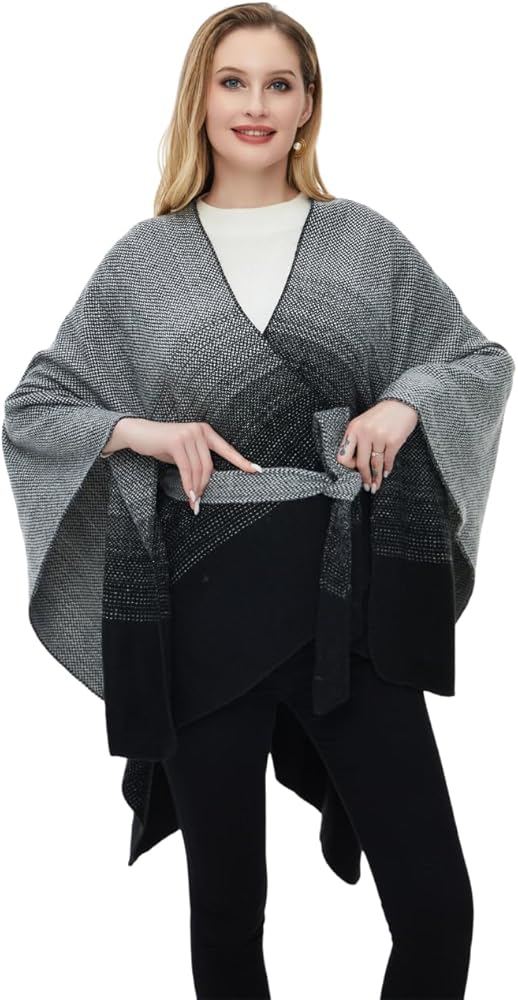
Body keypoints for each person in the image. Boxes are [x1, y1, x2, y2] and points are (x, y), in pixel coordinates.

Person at [3, 4, 515, 999]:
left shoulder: (362, 243)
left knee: (436, 906)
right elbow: (36, 406)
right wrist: (145, 432)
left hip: (346, 609)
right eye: (232, 80)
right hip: (203, 615)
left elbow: (477, 359)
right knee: (229, 912)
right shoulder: (143, 262)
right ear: (200, 99)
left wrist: (407, 401)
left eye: (279, 83)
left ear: (307, 104)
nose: (255, 104)